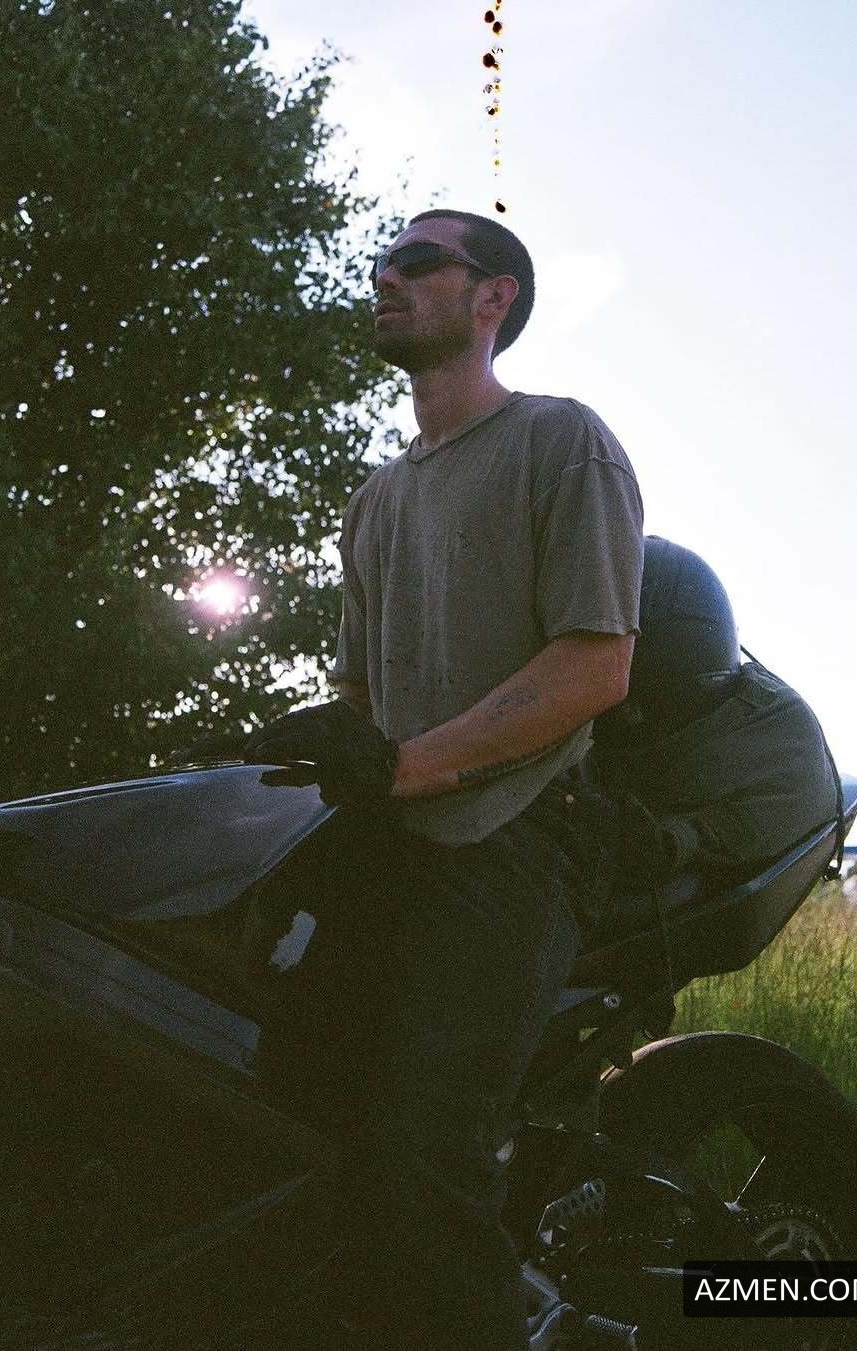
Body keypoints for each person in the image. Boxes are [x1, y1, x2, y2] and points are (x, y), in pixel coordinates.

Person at [244, 209, 645, 1349]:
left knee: (421, 1155)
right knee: (285, 1104)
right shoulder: (377, 498)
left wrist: (404, 766)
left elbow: (595, 666)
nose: (386, 277)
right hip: (399, 843)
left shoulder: (560, 441)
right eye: (382, 261)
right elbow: (362, 697)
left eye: (418, 262)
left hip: (521, 834)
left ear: (492, 299)